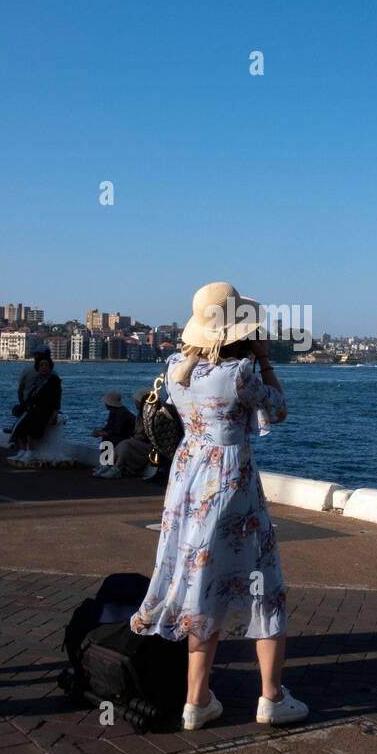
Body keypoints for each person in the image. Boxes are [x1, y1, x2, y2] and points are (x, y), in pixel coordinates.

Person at [130, 281, 308, 730]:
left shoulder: (175, 368)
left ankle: (197, 700)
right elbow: (279, 410)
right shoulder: (241, 374)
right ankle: (271, 697)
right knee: (263, 583)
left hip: (188, 478)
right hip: (230, 482)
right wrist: (266, 359)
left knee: (199, 580)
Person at [7, 347, 62, 465]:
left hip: (44, 410)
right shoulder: (37, 380)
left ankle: (31, 452)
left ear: (50, 367)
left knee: (33, 430)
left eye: (46, 366)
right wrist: (24, 405)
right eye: (41, 366)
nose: (43, 368)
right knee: (20, 428)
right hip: (32, 408)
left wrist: (54, 413)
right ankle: (22, 450)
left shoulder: (54, 380)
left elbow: (57, 398)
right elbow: (28, 393)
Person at [95, 388, 152, 479]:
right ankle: (106, 465)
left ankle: (114, 467)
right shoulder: (114, 412)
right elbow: (109, 427)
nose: (135, 402)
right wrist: (102, 432)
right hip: (133, 438)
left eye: (136, 401)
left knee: (118, 442)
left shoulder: (122, 413)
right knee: (108, 439)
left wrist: (105, 433)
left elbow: (119, 431)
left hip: (132, 439)